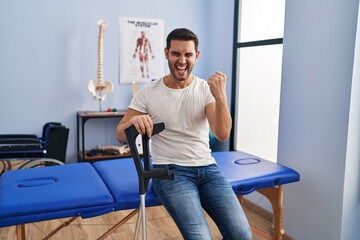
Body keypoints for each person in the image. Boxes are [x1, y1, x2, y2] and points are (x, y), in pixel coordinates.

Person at [117, 28, 252, 240]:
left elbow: (222, 133)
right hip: (170, 173)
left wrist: (221, 97)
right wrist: (133, 120)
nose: (182, 60)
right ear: (166, 53)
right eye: (176, 54)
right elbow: (120, 134)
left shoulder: (204, 89)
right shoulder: (148, 92)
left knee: (241, 234)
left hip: (208, 170)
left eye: (188, 54)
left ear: (196, 55)